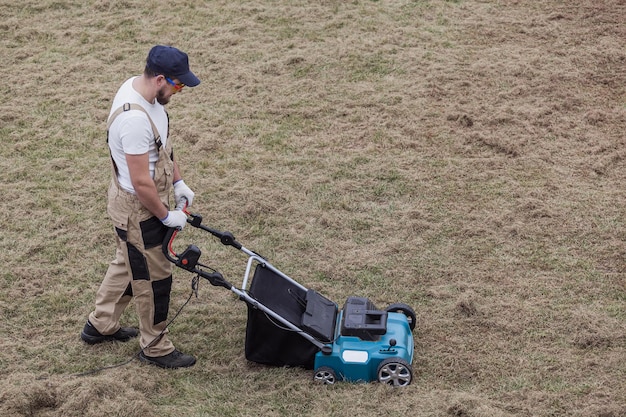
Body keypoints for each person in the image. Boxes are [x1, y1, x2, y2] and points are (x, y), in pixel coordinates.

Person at [81, 45, 200, 369]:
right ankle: (155, 346)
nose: (180, 92)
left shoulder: (147, 94)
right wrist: (167, 215)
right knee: (154, 278)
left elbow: (163, 150)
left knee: (128, 263)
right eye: (178, 86)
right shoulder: (134, 119)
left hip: (143, 203)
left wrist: (178, 183)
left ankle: (101, 323)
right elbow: (141, 182)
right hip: (138, 209)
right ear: (160, 78)